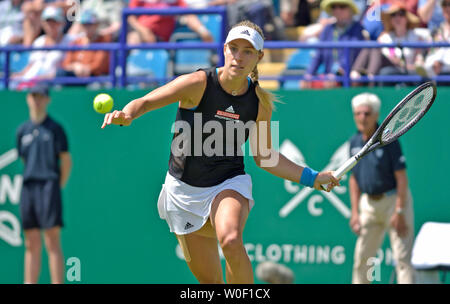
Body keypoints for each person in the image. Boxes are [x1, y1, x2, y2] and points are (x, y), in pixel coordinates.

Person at [101, 20, 340, 284]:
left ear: (259, 57)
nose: (238, 57)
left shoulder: (259, 104)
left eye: (248, 51)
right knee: (210, 283)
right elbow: (146, 101)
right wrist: (127, 113)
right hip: (182, 191)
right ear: (224, 49)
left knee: (231, 239)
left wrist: (312, 177)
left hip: (227, 182)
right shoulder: (197, 83)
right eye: (234, 48)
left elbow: (265, 157)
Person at [348, 93, 415, 284]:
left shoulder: (390, 141)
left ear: (376, 115)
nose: (362, 117)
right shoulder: (353, 142)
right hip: (368, 206)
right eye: (358, 113)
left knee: (402, 260)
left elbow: (401, 178)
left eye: (367, 113)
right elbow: (354, 179)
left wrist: (400, 211)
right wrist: (355, 212)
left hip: (394, 203)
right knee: (363, 258)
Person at [16, 84, 72, 284]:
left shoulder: (56, 129)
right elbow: (24, 159)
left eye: (40, 96)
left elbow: (66, 161)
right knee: (30, 241)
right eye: (33, 96)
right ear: (28, 99)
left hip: (49, 186)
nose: (36, 100)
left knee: (51, 240)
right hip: (28, 187)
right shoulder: (22, 131)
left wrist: (57, 185)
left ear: (47, 100)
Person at [351, 2, 424, 86]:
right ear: (390, 19)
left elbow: (419, 62)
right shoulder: (385, 37)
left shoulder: (416, 37)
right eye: (393, 15)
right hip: (389, 67)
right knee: (373, 46)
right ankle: (359, 74)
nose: (397, 18)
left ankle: (367, 78)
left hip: (407, 70)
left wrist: (407, 65)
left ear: (406, 18)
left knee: (383, 67)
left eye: (401, 14)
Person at [301, 0, 366, 89]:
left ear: (351, 10)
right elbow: (318, 54)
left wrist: (336, 73)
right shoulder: (327, 29)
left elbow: (353, 54)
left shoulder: (358, 29)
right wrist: (309, 74)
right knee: (306, 83)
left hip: (350, 79)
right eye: (334, 7)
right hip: (330, 78)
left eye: (342, 7)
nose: (337, 10)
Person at [11, 6, 73, 90]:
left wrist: (42, 78)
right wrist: (19, 75)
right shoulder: (38, 41)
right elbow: (31, 65)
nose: (51, 25)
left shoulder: (69, 41)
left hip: (52, 84)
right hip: (31, 82)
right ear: (43, 23)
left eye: (55, 21)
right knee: (11, 83)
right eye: (48, 22)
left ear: (62, 23)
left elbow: (66, 67)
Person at [127, 0, 213, 45]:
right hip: (141, 33)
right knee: (133, 38)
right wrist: (143, 31)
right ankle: (129, 73)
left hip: (161, 40)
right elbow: (130, 17)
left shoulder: (173, 1)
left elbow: (188, 15)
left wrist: (203, 31)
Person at [59, 10, 111, 79]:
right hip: (75, 74)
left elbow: (99, 66)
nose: (87, 27)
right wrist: (75, 66)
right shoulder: (75, 42)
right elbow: (66, 63)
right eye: (84, 24)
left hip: (94, 78)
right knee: (60, 74)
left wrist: (84, 69)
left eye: (90, 24)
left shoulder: (103, 41)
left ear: (96, 25)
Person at [422, 0, 450, 78]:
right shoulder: (435, 32)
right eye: (444, 5)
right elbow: (429, 56)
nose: (447, 8)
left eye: (449, 4)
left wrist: (442, 61)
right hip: (438, 77)